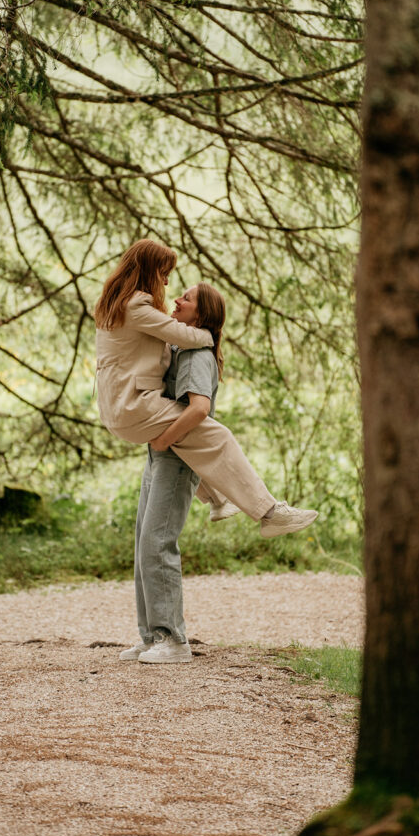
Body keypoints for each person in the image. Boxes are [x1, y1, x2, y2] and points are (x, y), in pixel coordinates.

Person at [95, 239, 318, 537]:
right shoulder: (136, 305)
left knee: (191, 435)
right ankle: (270, 513)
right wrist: (209, 333)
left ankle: (219, 500)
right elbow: (185, 338)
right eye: (163, 273)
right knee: (216, 435)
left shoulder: (116, 304)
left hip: (120, 408)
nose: (167, 282)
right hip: (133, 406)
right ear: (149, 270)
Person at [121, 282, 225, 664]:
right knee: (143, 544)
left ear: (202, 314)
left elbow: (199, 408)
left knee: (157, 543)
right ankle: (151, 637)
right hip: (160, 455)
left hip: (177, 457)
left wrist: (164, 441)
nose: (177, 300)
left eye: (187, 298)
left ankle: (173, 641)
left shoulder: (197, 355)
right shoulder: (180, 347)